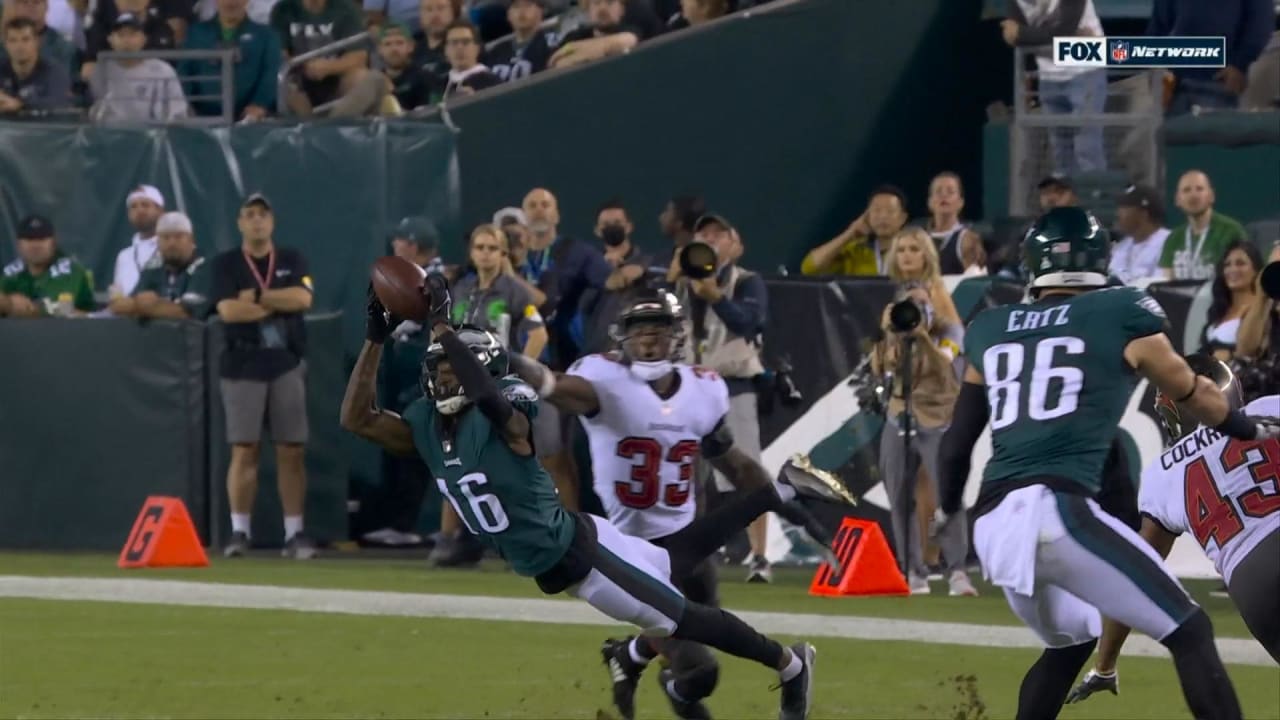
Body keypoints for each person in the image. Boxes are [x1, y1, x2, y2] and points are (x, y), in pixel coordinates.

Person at [341, 275, 819, 720]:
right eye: (439, 370)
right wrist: (374, 339)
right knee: (672, 563)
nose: (445, 379)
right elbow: (356, 420)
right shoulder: (426, 425)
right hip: (572, 540)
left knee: (684, 619)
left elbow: (491, 399)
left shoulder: (504, 413)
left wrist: (444, 327)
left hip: (578, 554)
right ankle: (779, 490)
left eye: (454, 370)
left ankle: (789, 664)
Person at [936, 206, 1280, 720]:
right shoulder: (1122, 310)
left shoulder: (990, 327)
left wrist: (949, 520)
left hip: (992, 524)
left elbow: (956, 444)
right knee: (1190, 630)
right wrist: (1245, 428)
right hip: (1057, 509)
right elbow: (1197, 395)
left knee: (1070, 642)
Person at [508, 289, 851, 720]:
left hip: (690, 541)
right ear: (622, 338)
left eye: (659, 331)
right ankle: (778, 666)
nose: (649, 341)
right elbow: (552, 384)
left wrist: (796, 517)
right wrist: (507, 360)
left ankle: (632, 654)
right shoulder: (605, 382)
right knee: (699, 670)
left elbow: (736, 465)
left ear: (678, 337)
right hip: (630, 550)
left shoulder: (702, 389)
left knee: (695, 656)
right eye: (640, 331)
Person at [1066, 358, 1278, 704]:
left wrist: (1105, 664)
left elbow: (1140, 573)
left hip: (1251, 586)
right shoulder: (1269, 407)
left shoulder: (1163, 472)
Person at [210, 193, 317, 559]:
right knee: (245, 448)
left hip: (285, 363)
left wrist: (256, 296)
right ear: (240, 223)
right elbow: (228, 311)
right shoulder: (225, 264)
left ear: (272, 222)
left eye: (263, 215)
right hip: (242, 365)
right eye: (249, 215)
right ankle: (240, 531)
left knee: (291, 449)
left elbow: (302, 301)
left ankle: (295, 533)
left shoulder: (291, 259)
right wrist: (275, 302)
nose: (257, 221)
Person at [871, 281, 972, 596]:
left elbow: (943, 364)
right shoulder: (893, 333)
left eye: (923, 302)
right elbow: (880, 369)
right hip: (899, 417)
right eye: (910, 303)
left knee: (948, 494)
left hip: (938, 419)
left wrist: (921, 336)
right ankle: (913, 570)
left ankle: (956, 570)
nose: (918, 309)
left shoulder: (950, 331)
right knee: (900, 496)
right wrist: (890, 333)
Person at [108, 211, 209, 319]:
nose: (172, 243)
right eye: (165, 237)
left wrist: (144, 306)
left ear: (191, 239)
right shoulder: (154, 266)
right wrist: (136, 304)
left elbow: (185, 312)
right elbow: (124, 305)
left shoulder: (204, 265)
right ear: (158, 242)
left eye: (178, 237)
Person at [2, 214, 95, 317]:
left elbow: (62, 310)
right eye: (29, 239)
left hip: (72, 331)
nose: (35, 245)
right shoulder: (10, 272)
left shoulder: (72, 270)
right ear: (19, 245)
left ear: (54, 243)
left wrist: (10, 305)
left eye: (42, 239)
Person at [1201, 240, 1263, 362]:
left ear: (1255, 270)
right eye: (1227, 265)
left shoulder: (1263, 308)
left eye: (1240, 263)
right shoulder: (1220, 308)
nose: (1233, 269)